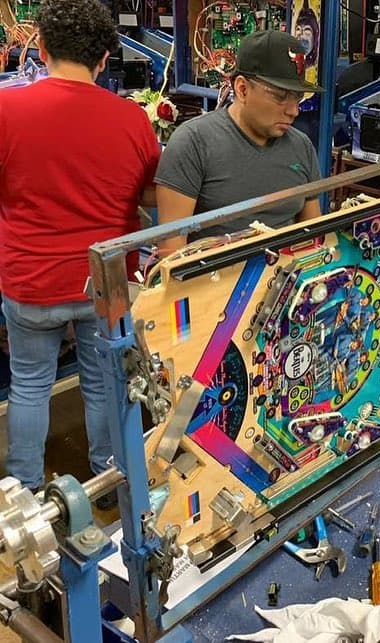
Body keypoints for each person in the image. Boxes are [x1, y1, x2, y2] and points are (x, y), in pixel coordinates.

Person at [0, 0, 160, 496]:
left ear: (41, 48)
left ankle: (24, 492)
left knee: (28, 386)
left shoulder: (6, 111)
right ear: (105, 59)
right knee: (104, 384)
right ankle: (109, 478)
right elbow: (149, 195)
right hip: (105, 281)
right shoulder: (133, 119)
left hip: (29, 279)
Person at [155, 31, 324, 253]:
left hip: (287, 281)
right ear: (242, 89)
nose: (293, 111)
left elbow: (314, 239)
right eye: (281, 96)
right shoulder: (193, 143)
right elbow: (171, 254)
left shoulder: (301, 147)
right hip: (216, 284)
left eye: (298, 98)